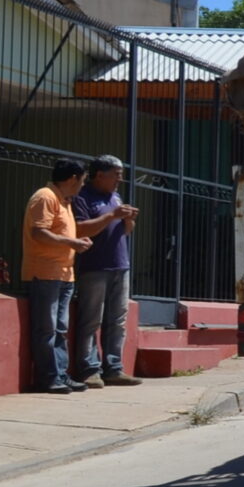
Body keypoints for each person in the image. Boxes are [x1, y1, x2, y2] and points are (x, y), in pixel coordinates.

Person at [70, 155, 143, 386]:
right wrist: (113, 215)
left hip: (120, 266)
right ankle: (89, 369)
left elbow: (126, 231)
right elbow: (80, 229)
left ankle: (113, 368)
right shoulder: (82, 197)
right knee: (92, 319)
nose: (120, 180)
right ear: (99, 175)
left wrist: (129, 219)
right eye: (116, 175)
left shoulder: (115, 196)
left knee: (117, 320)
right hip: (94, 267)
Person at [21, 159, 92, 394]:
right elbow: (39, 233)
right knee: (47, 328)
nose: (82, 185)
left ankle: (60, 374)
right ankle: (49, 377)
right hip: (45, 272)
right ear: (72, 179)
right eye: (82, 181)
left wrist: (74, 243)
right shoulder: (45, 197)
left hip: (64, 274)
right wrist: (72, 242)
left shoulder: (64, 201)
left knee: (60, 329)